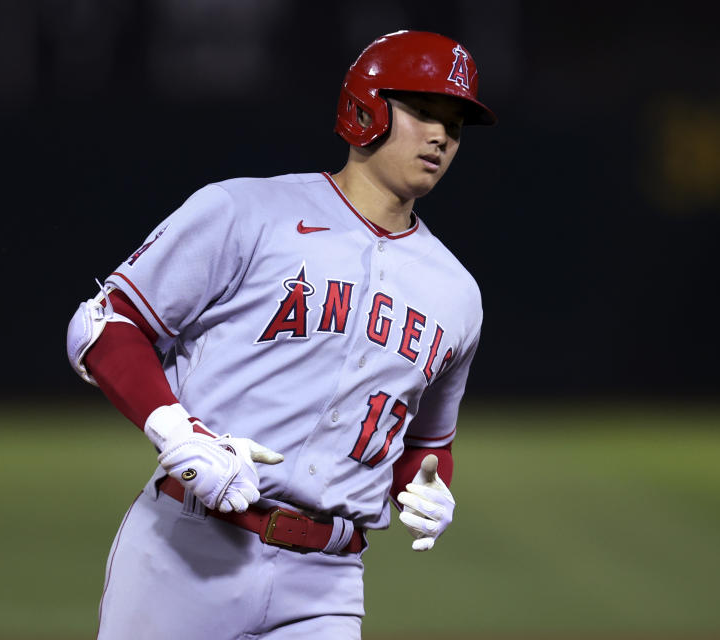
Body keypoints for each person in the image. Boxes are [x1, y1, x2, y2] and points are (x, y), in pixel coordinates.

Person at [66, 29, 496, 640]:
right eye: (425, 111)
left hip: (329, 583)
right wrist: (176, 432)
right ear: (365, 107)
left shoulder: (457, 294)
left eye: (456, 123)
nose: (442, 136)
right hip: (191, 549)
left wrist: (429, 485)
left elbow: (427, 442)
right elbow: (104, 325)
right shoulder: (247, 212)